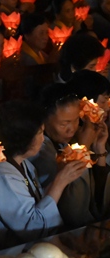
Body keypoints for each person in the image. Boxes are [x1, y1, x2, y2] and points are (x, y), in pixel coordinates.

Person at [0, 100, 86, 254]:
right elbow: (33, 227)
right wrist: (60, 182)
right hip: (6, 255)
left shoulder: (24, 163)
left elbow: (39, 205)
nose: (43, 139)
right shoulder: (2, 177)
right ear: (24, 138)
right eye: (40, 133)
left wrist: (61, 177)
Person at [30, 83, 110, 229]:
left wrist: (99, 148)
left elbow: (97, 200)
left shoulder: (65, 142)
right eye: (64, 124)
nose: (71, 129)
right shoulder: (41, 151)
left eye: (76, 120)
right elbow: (72, 209)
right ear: (44, 120)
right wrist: (82, 149)